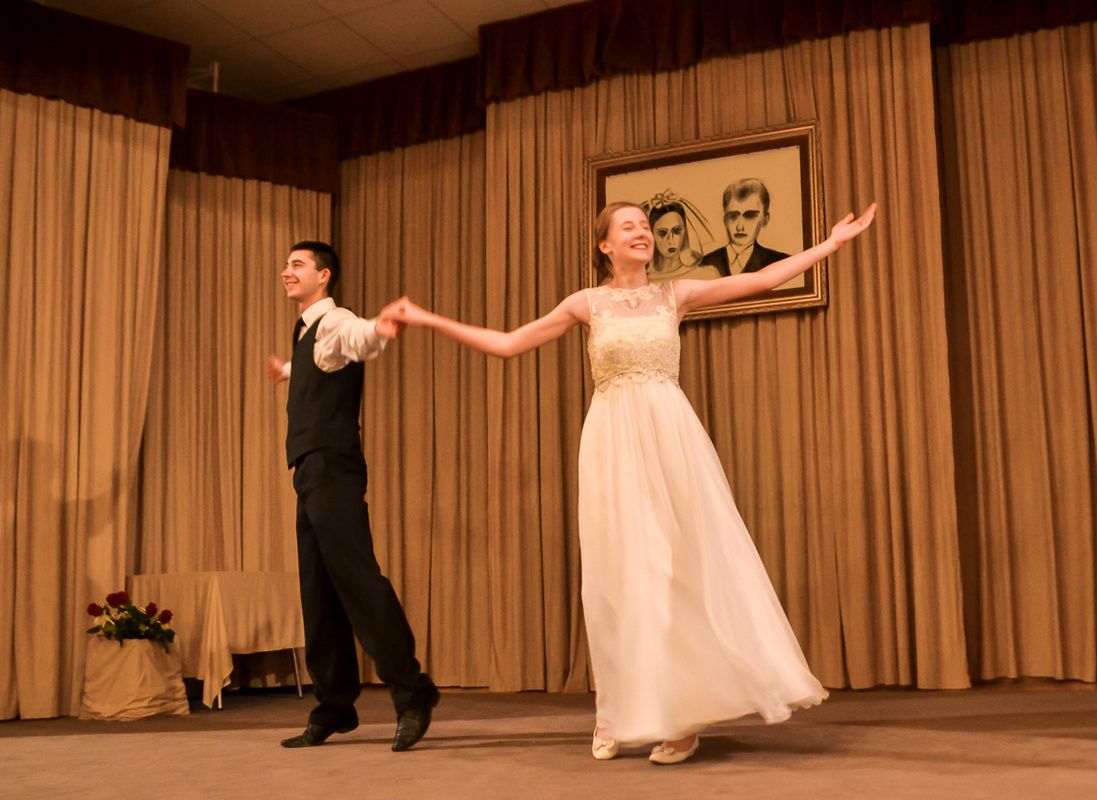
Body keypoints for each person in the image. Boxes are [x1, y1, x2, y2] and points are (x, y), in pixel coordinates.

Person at [385, 202, 877, 764]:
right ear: (606, 245)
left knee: (677, 573)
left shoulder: (675, 295)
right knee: (618, 578)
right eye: (630, 226)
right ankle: (614, 709)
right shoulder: (586, 304)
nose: (642, 232)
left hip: (672, 441)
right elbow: (508, 343)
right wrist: (427, 318)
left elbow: (761, 279)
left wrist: (830, 244)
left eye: (646, 226)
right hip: (612, 445)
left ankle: (680, 719)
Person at [266, 241, 439, 752]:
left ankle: (413, 692)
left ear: (324, 275)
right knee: (318, 592)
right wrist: (288, 370)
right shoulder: (309, 335)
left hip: (333, 470)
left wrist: (379, 329)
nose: (287, 271)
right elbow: (322, 361)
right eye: (286, 265)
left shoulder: (335, 320)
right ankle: (335, 707)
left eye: (297, 264)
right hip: (310, 472)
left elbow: (356, 337)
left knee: (359, 581)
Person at [702, 178, 791, 276]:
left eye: (750, 216)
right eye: (733, 216)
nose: (740, 227)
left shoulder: (782, 263)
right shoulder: (704, 264)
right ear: (724, 219)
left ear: (765, 219)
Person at [644, 195, 721, 281]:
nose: (671, 240)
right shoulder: (642, 279)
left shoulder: (707, 274)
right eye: (662, 233)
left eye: (676, 231)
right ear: (651, 235)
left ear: (685, 232)